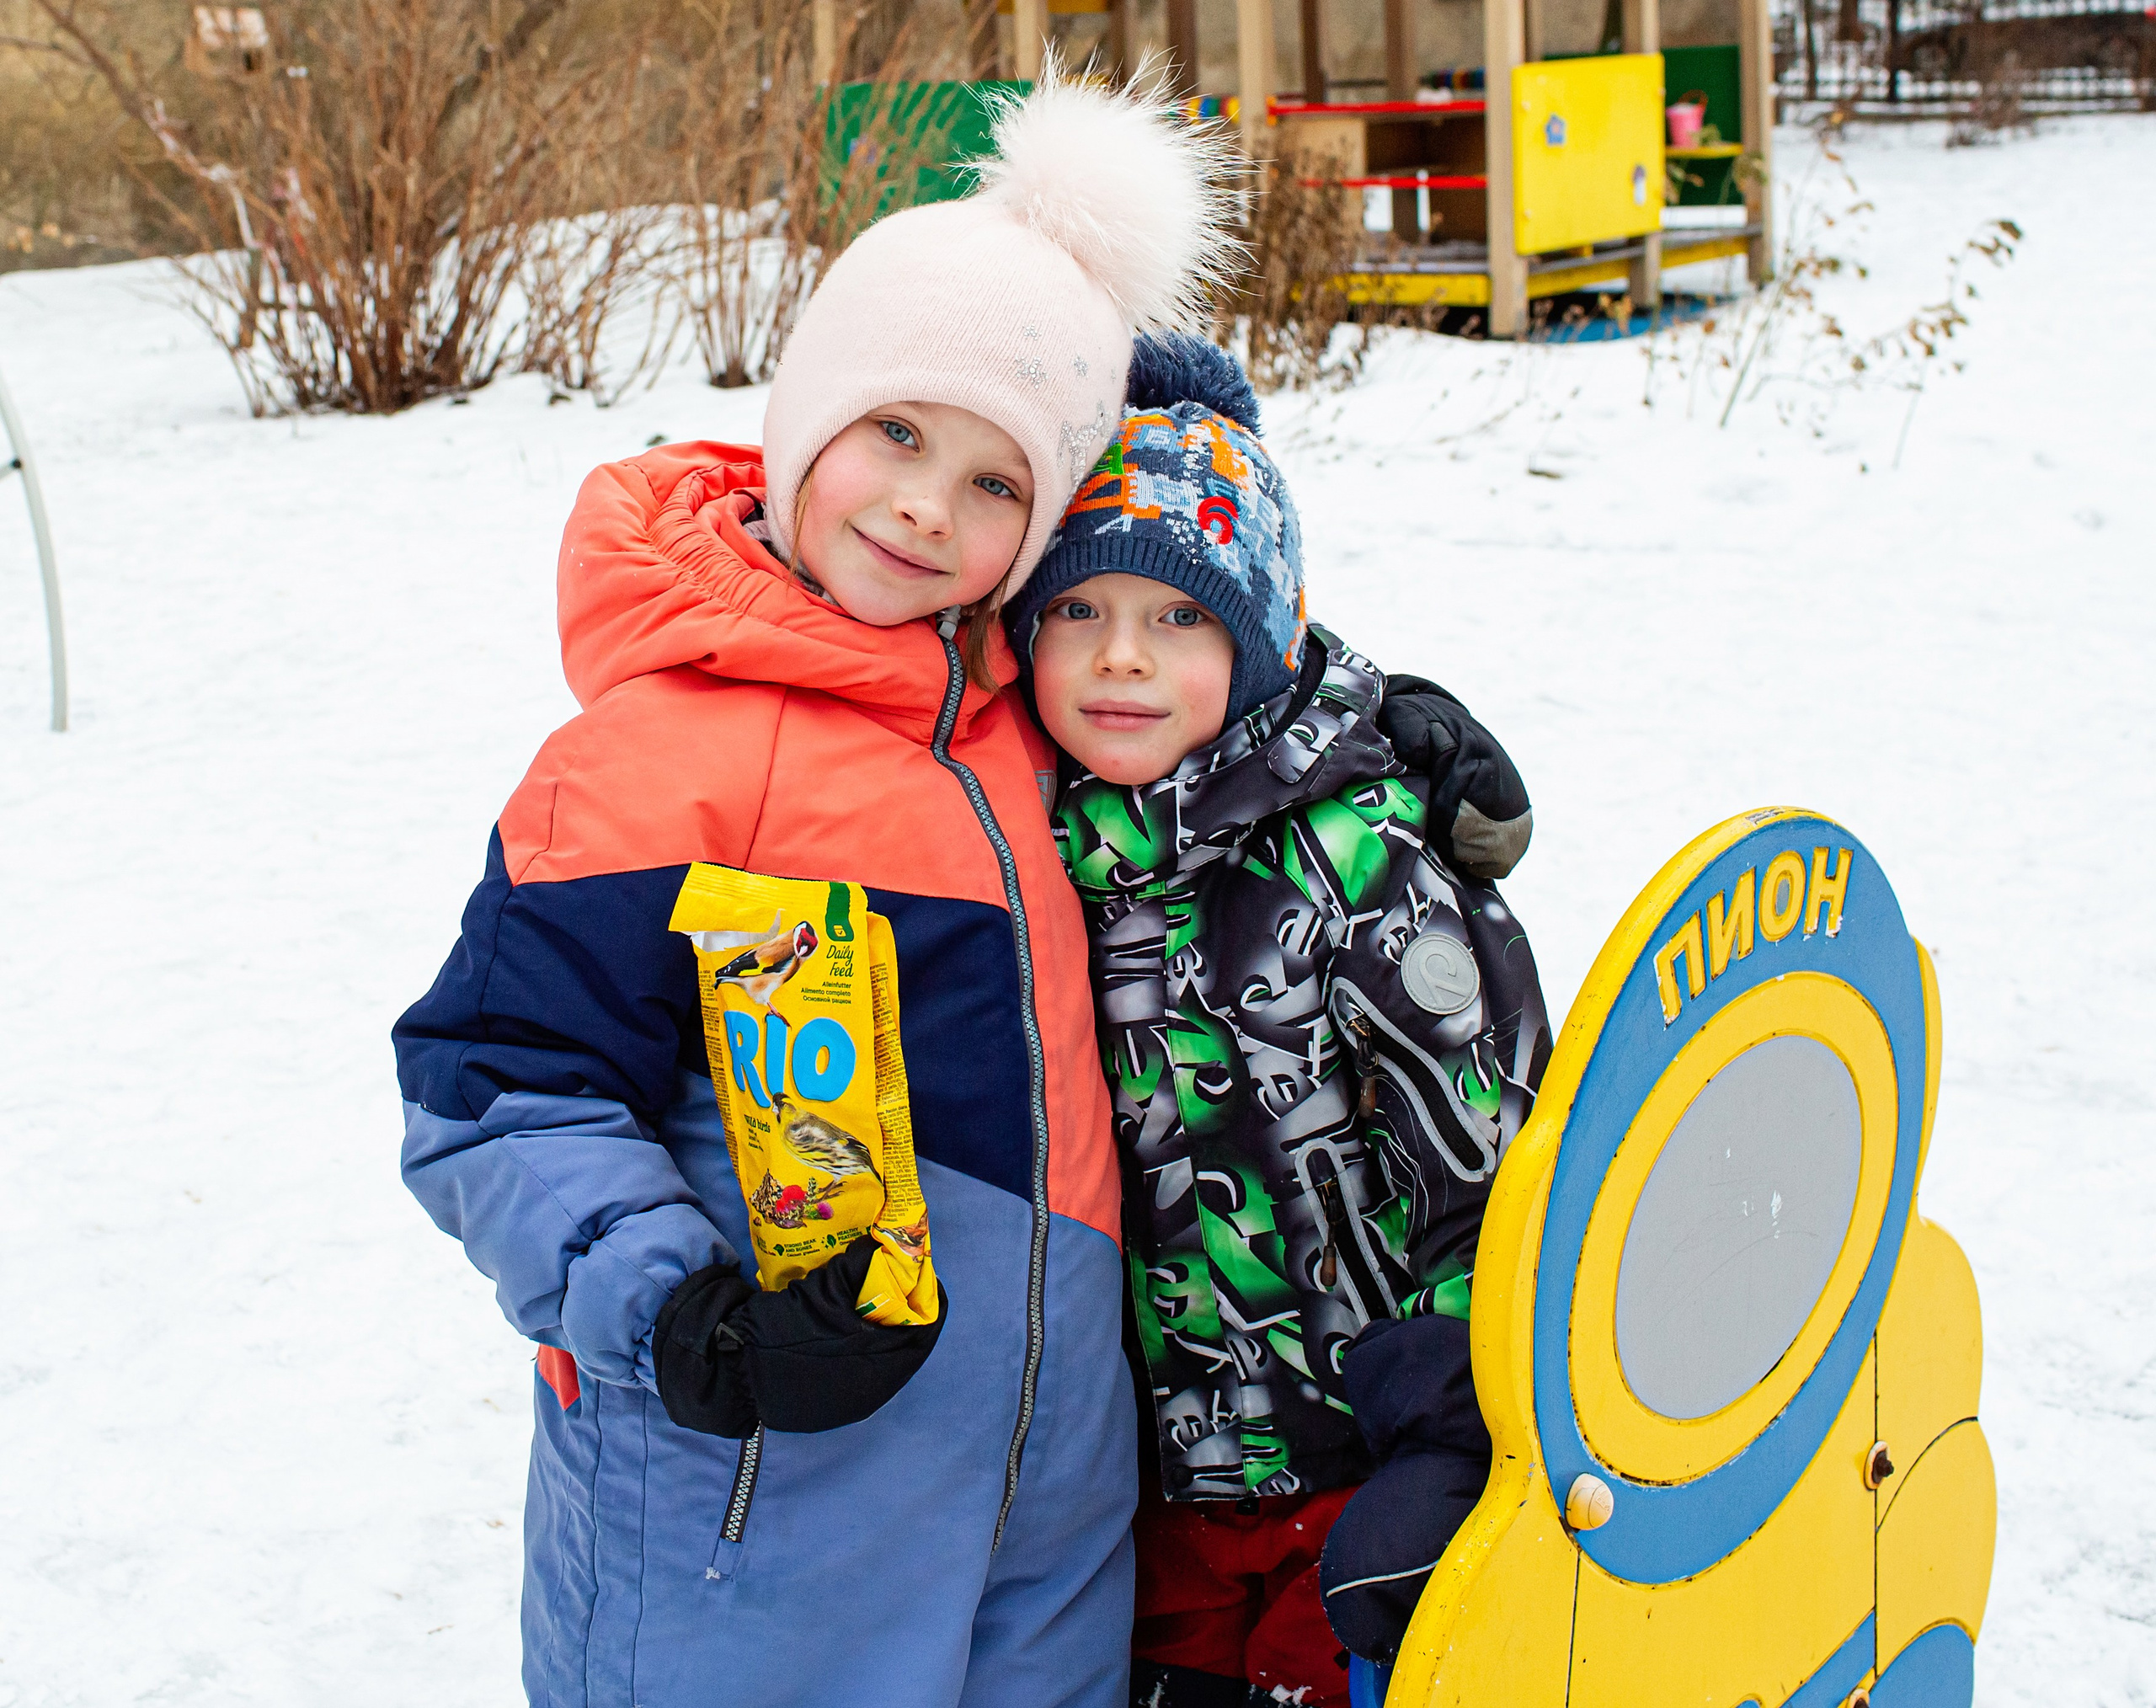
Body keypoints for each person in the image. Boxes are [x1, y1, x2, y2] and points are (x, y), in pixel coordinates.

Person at [391, 70, 1243, 1707]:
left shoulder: (1023, 722)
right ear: (804, 424)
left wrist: (1358, 735)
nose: (928, 505)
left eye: (998, 483)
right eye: (898, 433)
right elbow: (501, 1087)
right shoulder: (660, 748)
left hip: (1037, 1519)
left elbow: (1208, 708)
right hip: (753, 1500)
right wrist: (673, 1312)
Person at [1006, 335, 1552, 1708]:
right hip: (1156, 1479)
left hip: (1361, 1464)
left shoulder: (1362, 861)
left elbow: (1486, 1157)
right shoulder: (1039, 842)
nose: (1121, 659)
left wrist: (1450, 1442)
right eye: (1078, 612)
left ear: (1264, 641)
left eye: (1182, 619)